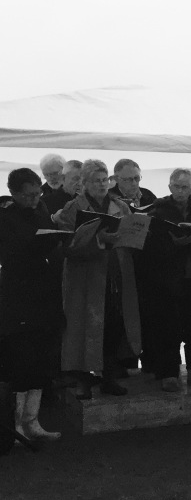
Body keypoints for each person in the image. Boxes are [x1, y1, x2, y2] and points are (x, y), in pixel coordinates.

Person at [57, 159, 141, 398]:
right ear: (84, 183)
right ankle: (83, 380)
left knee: (114, 326)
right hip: (85, 279)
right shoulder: (73, 208)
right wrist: (99, 240)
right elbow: (67, 246)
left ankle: (109, 376)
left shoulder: (120, 206)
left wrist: (133, 235)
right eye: (96, 180)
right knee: (83, 327)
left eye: (105, 180)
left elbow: (132, 239)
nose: (102, 185)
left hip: (116, 274)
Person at [138, 169, 191, 391]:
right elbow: (148, 249)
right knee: (167, 328)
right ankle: (169, 373)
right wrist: (172, 243)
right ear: (170, 187)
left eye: (186, 187)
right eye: (177, 186)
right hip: (167, 279)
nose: (181, 191)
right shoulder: (158, 212)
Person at [0, 168, 63, 441]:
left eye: (37, 193)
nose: (35, 199)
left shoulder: (41, 207)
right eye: (27, 195)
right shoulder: (4, 216)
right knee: (20, 359)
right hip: (17, 293)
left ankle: (32, 421)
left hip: (44, 290)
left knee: (42, 354)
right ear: (13, 193)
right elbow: (10, 254)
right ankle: (15, 425)